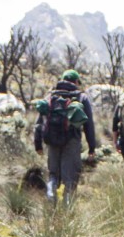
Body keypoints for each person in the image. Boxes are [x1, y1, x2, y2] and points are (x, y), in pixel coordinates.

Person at [33, 69, 97, 200]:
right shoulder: (81, 97)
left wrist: (38, 144)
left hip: (51, 140)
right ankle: (68, 210)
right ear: (76, 82)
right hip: (71, 141)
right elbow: (88, 124)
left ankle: (51, 199)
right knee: (70, 178)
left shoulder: (50, 97)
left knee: (53, 174)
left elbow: (39, 123)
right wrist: (91, 147)